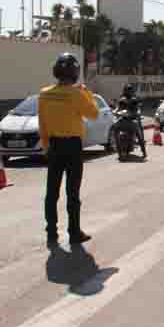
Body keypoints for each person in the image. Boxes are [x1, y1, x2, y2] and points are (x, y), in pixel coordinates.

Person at [39, 53, 99, 247]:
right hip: (72, 147)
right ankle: (74, 232)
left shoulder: (45, 93)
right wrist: (86, 92)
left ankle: (51, 232)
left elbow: (43, 123)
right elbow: (94, 114)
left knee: (52, 192)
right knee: (72, 193)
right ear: (74, 73)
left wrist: (46, 146)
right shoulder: (76, 94)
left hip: (54, 146)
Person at [115, 83, 147, 158]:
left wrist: (138, 112)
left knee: (138, 132)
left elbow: (138, 108)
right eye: (127, 90)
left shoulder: (134, 99)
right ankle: (119, 151)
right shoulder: (122, 99)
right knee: (115, 129)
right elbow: (118, 107)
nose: (128, 92)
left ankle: (144, 151)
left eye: (129, 90)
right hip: (123, 119)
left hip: (132, 119)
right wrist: (115, 111)